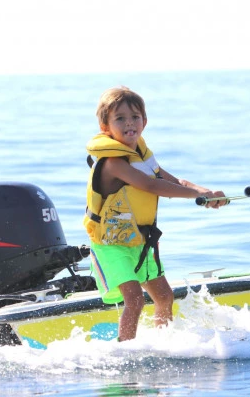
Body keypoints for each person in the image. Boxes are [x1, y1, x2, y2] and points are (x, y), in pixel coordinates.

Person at [83, 86, 225, 341]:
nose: (129, 123)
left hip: (140, 242)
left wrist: (206, 193)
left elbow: (174, 181)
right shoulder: (113, 163)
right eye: (120, 118)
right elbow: (151, 186)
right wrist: (198, 197)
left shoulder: (142, 157)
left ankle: (162, 344)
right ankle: (127, 353)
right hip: (111, 246)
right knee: (135, 300)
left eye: (135, 117)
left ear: (145, 121)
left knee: (164, 297)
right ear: (105, 126)